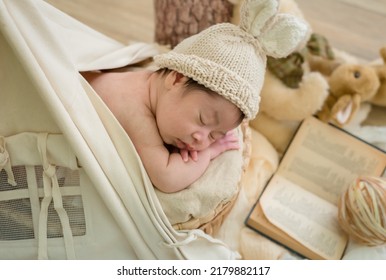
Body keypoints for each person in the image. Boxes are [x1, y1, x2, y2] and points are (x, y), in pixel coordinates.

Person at [82, 0, 308, 193]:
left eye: (215, 136)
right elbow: (167, 178)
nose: (201, 139)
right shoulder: (134, 111)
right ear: (177, 78)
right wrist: (211, 152)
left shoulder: (153, 86)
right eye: (202, 120)